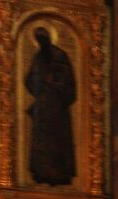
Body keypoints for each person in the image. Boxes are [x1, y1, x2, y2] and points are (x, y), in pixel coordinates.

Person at [25, 27, 78, 186]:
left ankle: (60, 176)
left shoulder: (59, 56)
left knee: (58, 141)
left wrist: (53, 82)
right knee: (42, 142)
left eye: (43, 38)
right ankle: (41, 174)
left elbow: (68, 81)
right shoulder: (37, 57)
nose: (41, 41)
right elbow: (29, 80)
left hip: (57, 107)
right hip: (42, 106)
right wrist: (39, 87)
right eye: (38, 38)